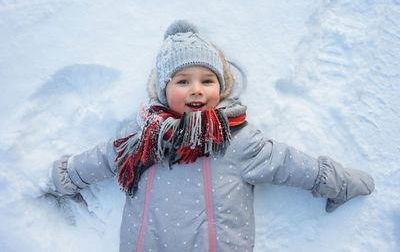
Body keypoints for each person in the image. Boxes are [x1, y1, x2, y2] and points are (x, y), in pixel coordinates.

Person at [45, 20, 374, 252]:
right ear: (163, 89)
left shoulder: (238, 141)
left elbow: (289, 164)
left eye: (207, 80)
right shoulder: (143, 137)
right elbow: (104, 158)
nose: (196, 90)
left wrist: (337, 182)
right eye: (183, 81)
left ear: (223, 87)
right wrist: (66, 177)